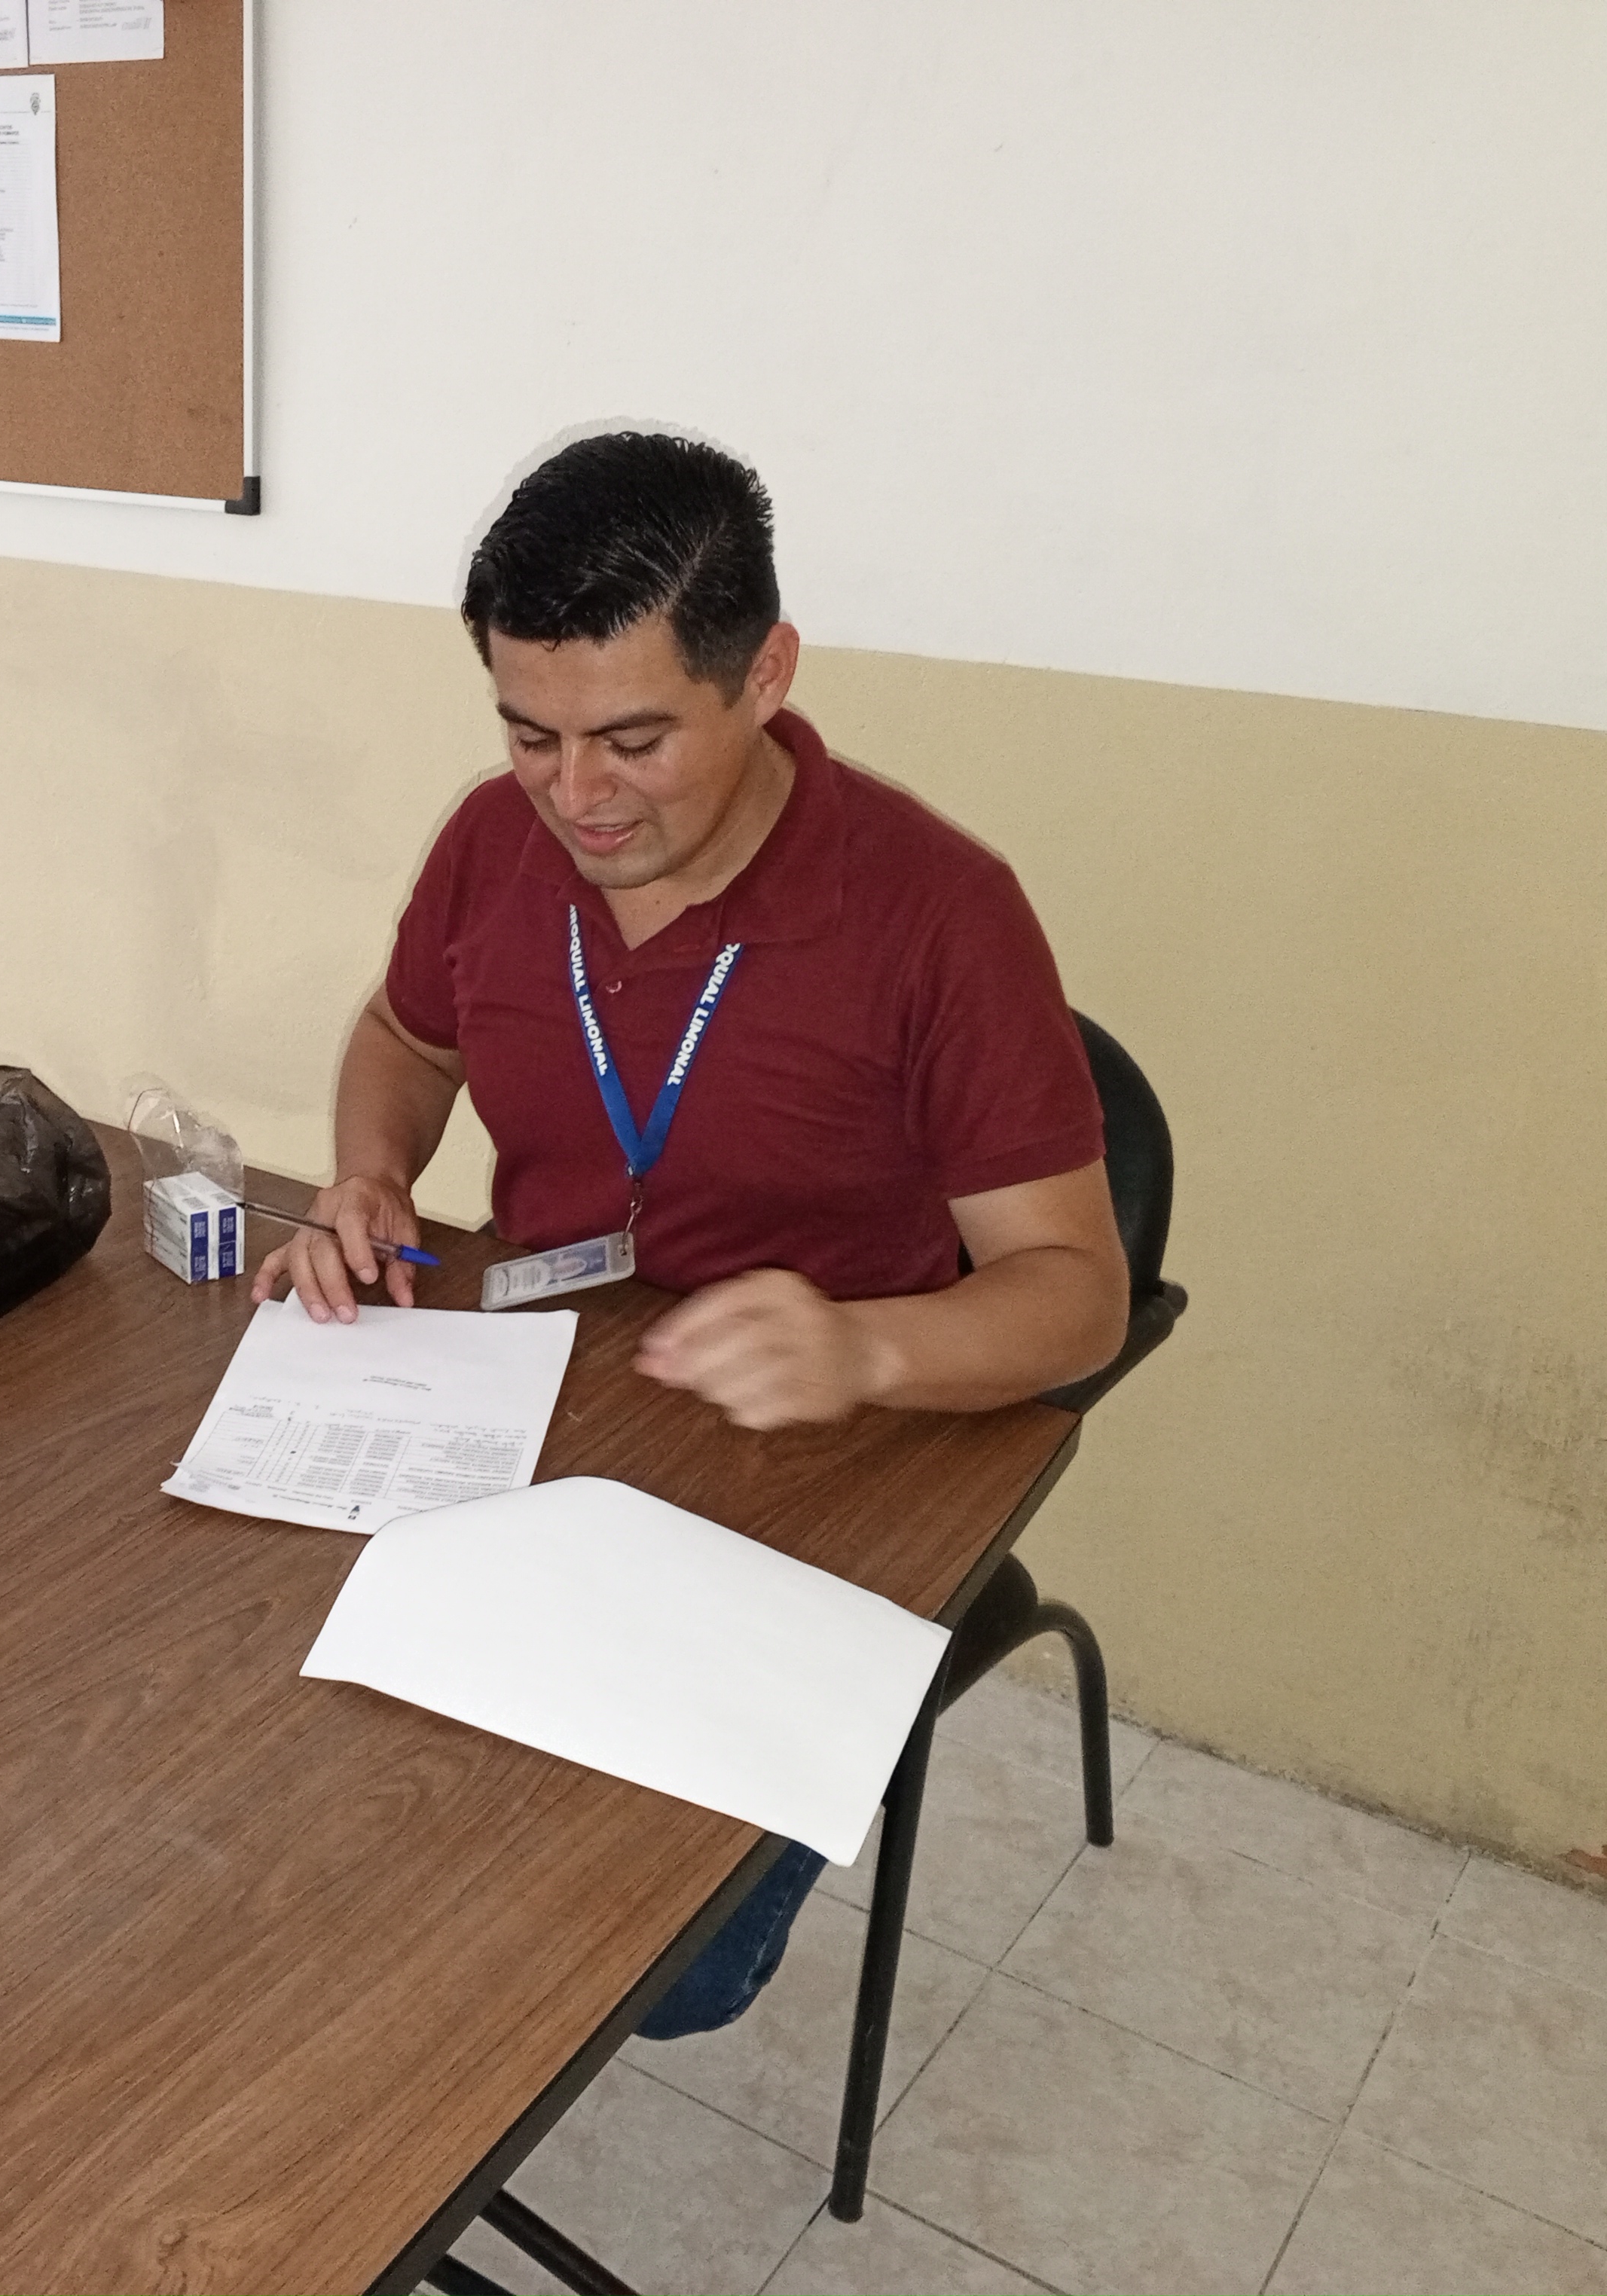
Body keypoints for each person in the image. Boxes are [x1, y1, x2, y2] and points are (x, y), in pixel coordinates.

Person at [250, 429, 1129, 2036]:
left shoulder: (938, 912)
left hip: (824, 1463)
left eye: (634, 740)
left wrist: (864, 1348)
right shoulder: (492, 841)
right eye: (531, 735)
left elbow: (1077, 1298)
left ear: (765, 675)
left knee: (649, 1967)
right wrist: (369, 1173)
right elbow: (406, 1038)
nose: (576, 797)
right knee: (312, 1782)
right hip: (547, 1400)